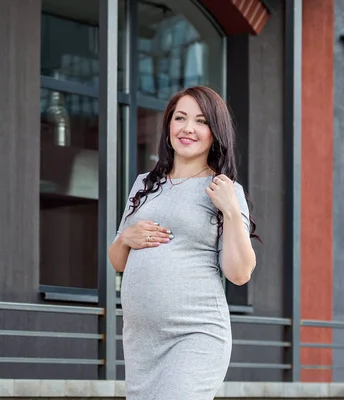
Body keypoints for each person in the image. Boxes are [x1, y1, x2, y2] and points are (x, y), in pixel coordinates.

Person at [108, 85, 258, 400]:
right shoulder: (144, 185)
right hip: (142, 342)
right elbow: (118, 261)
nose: (188, 128)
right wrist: (125, 238)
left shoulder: (225, 190)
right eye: (180, 118)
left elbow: (240, 273)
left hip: (195, 334)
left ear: (215, 133)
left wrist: (230, 209)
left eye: (201, 121)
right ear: (169, 127)